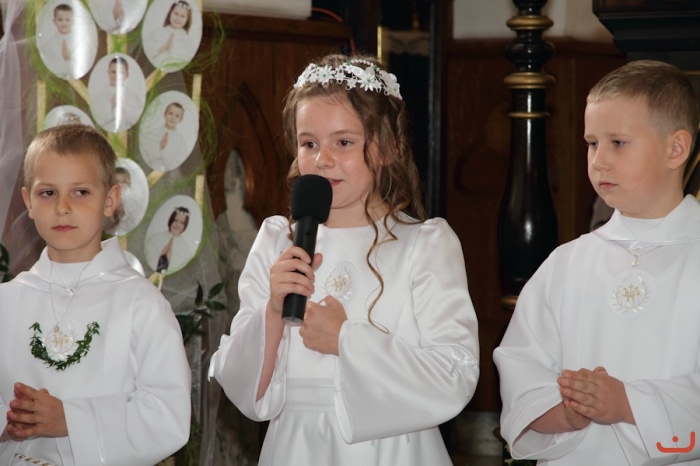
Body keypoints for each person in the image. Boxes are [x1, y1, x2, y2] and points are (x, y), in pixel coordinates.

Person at [209, 53, 480, 465]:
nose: (323, 159)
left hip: (391, 449)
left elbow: (455, 374)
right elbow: (245, 388)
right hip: (296, 447)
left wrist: (346, 340)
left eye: (344, 142)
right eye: (309, 143)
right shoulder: (278, 241)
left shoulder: (424, 244)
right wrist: (272, 313)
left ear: (388, 147)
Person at [494, 59, 700, 465]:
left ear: (676, 149)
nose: (599, 161)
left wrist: (628, 403)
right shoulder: (566, 264)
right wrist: (566, 413)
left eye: (618, 143)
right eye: (592, 143)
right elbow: (523, 369)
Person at [0, 124, 191, 465]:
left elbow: (168, 415)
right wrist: (10, 419)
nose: (62, 207)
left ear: (110, 200)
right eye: (48, 193)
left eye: (81, 192)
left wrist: (71, 420)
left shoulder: (142, 304)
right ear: (28, 201)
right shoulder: (7, 301)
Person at [37, 2, 96, 80]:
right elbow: (48, 60)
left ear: (73, 21)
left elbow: (83, 61)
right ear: (54, 21)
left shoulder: (79, 42)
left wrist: (71, 57)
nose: (64, 23)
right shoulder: (49, 44)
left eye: (67, 20)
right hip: (56, 78)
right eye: (60, 20)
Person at [89, 55, 144, 133]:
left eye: (121, 72)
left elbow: (136, 119)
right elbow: (96, 118)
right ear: (108, 73)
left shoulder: (133, 96)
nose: (116, 76)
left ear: (127, 74)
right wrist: (111, 104)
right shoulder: (100, 95)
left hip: (127, 134)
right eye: (113, 72)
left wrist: (123, 105)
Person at [144, 0, 199, 72]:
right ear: (170, 13)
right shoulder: (157, 33)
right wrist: (162, 48)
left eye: (182, 16)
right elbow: (148, 53)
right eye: (176, 14)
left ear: (187, 20)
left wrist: (171, 50)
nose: (178, 18)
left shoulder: (187, 42)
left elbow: (184, 61)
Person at [140, 101, 189, 171]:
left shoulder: (181, 142)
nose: (173, 117)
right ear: (164, 114)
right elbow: (145, 156)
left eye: (177, 116)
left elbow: (179, 164)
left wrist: (165, 151)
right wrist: (159, 147)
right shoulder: (152, 133)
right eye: (170, 113)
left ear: (180, 120)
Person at [145, 206, 193, 274]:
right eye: (175, 220)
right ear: (171, 220)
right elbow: (149, 257)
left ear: (185, 225)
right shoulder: (156, 238)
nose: (177, 225)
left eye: (182, 223)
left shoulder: (186, 248)